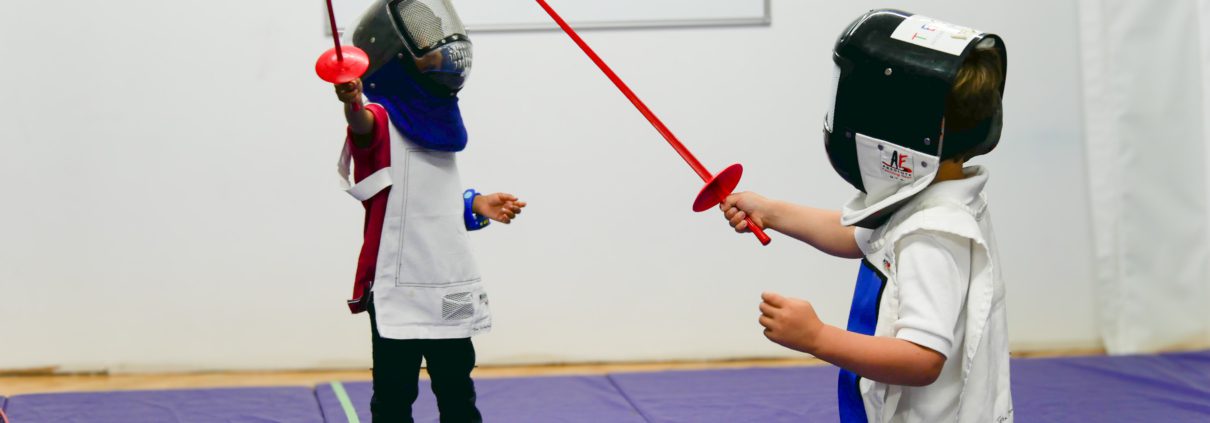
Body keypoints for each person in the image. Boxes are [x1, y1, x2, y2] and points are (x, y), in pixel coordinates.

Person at [720, 10, 1012, 422]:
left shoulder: (934, 232)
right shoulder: (924, 197)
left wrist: (818, 337)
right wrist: (771, 211)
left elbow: (922, 359)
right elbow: (857, 236)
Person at [331, 1, 525, 421]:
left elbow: (424, 197)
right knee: (394, 396)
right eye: (427, 44)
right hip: (398, 290)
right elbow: (361, 126)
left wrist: (475, 204)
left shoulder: (436, 118)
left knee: (457, 390)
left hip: (448, 283)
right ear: (391, 53)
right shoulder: (381, 118)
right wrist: (352, 101)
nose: (440, 50)